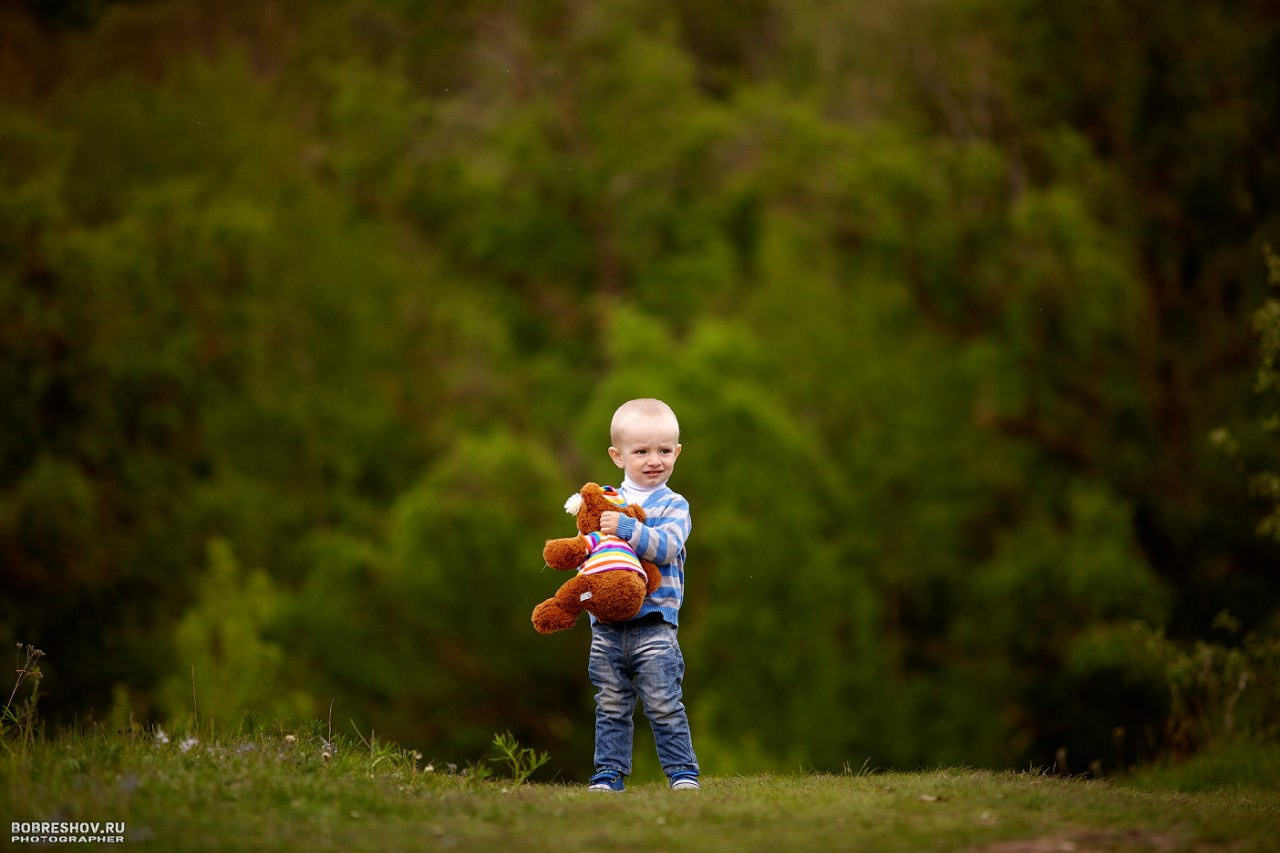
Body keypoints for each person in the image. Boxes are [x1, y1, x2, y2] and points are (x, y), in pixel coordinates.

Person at [585, 398, 700, 792]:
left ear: (677, 452)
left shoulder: (674, 504)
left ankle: (682, 773)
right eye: (642, 452)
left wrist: (626, 529)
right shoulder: (604, 501)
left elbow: (666, 547)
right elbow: (595, 559)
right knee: (612, 704)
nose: (655, 460)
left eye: (664, 451)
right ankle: (609, 774)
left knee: (663, 702)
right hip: (606, 627)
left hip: (654, 624)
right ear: (618, 456)